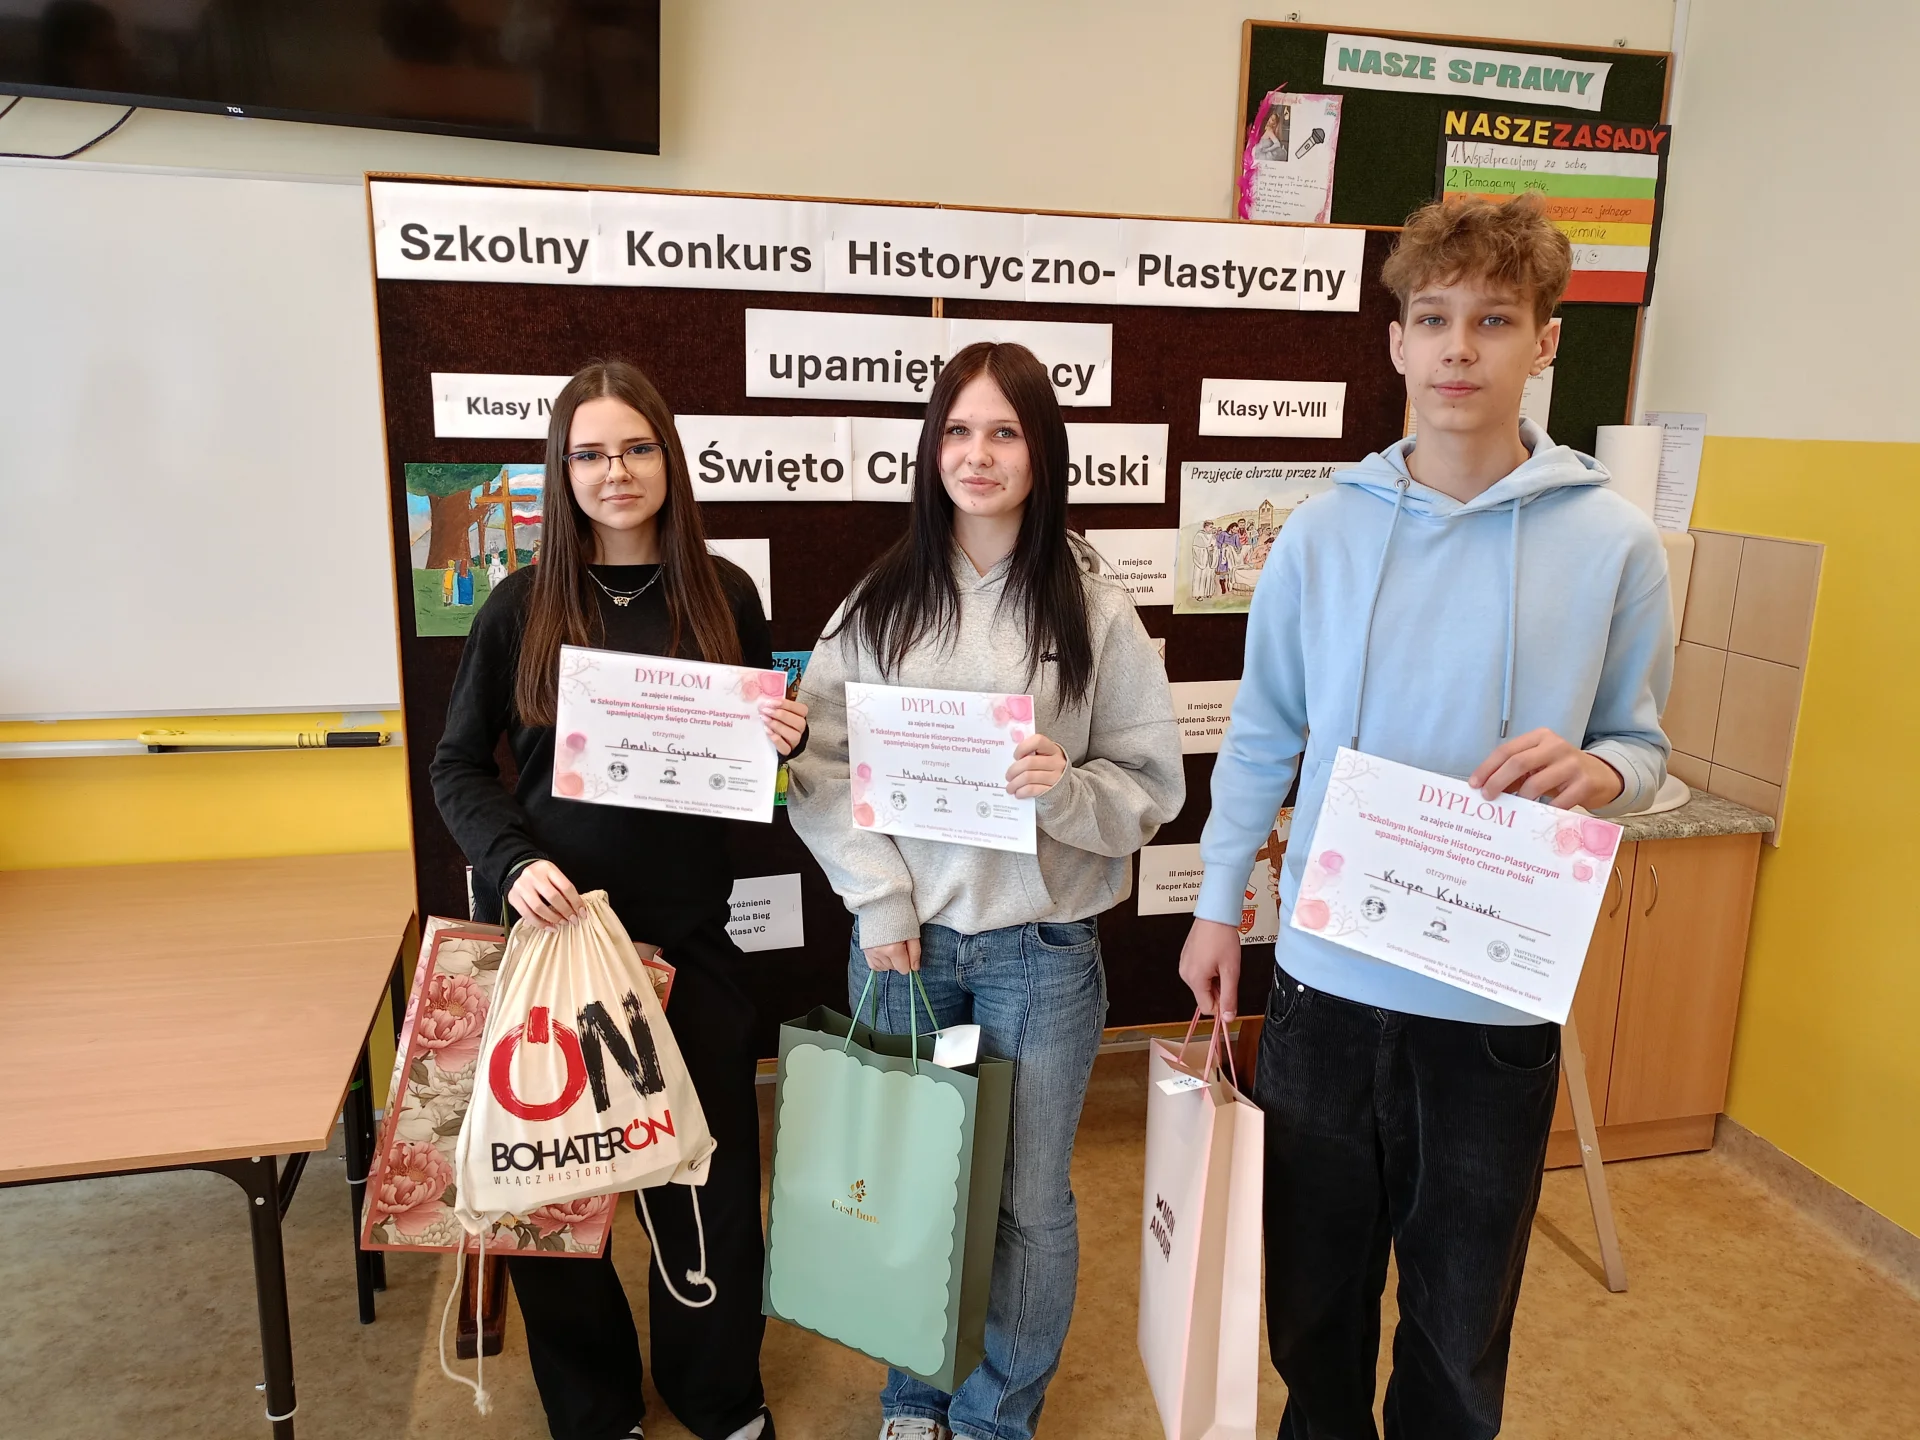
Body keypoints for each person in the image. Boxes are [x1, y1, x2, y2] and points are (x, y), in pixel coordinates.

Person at [1179, 193, 1672, 1440]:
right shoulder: (1323, 534)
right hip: (1327, 986)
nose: (1461, 348)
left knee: (1459, 1324)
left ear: (1544, 342)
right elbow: (1262, 733)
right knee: (1313, 1307)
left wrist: (1602, 773)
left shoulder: (1614, 543)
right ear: (1396, 340)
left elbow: (1643, 747)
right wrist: (1216, 907)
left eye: (1494, 320)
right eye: (1435, 318)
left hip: (1492, 1002)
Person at [787, 342, 1185, 1440]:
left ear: (1040, 450)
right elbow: (819, 766)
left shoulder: (1093, 605)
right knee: (910, 1183)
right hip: (905, 948)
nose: (978, 454)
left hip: (1040, 954)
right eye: (957, 431)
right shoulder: (881, 599)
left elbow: (1151, 784)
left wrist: (1067, 791)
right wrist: (880, 902)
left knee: (1025, 1202)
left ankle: (996, 1415)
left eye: (1004, 431)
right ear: (932, 451)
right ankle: (914, 1399)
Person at [431, 359, 806, 1440]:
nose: (615, 472)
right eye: (589, 454)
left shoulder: (723, 593)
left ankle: (716, 1393)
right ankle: (595, 1410)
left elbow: (750, 765)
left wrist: (784, 741)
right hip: (558, 947)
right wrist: (512, 860)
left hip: (691, 946)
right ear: (562, 470)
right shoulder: (520, 605)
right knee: (559, 1199)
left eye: (636, 448)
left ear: (668, 458)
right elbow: (458, 765)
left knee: (709, 1192)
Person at [1191, 520, 1217, 600]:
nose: (1212, 529)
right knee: (1200, 577)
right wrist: (1205, 550)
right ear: (1205, 527)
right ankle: (1198, 595)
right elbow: (1195, 549)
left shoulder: (1212, 536)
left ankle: (1207, 592)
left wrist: (1213, 549)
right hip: (1202, 560)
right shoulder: (1199, 535)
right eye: (1210, 527)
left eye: (1212, 527)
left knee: (1209, 575)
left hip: (1210, 560)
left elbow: (1215, 546)